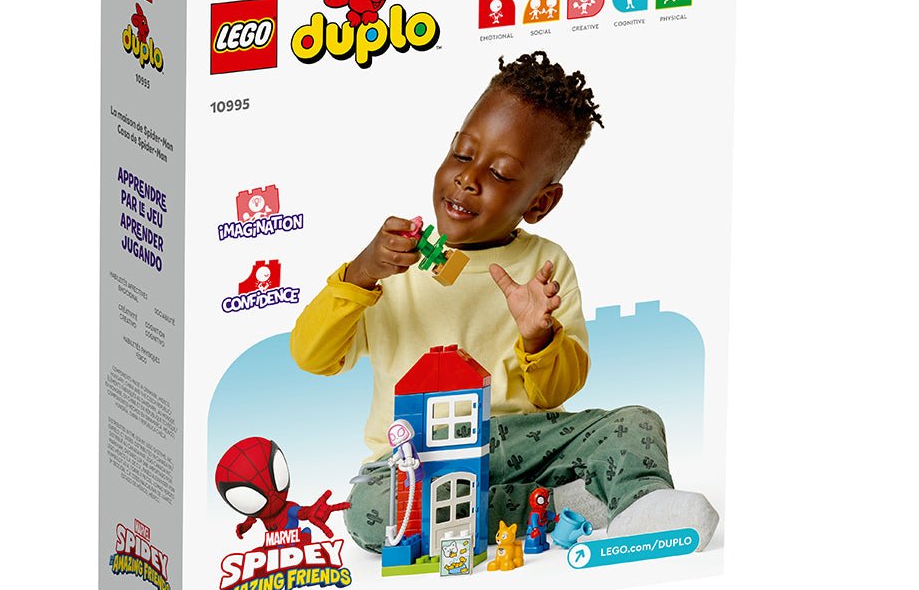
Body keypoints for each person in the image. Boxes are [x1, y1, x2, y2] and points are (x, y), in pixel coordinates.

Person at [290, 51, 719, 552]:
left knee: (638, 422)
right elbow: (311, 357)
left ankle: (643, 504)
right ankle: (558, 505)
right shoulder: (390, 266)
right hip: (414, 457)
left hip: (526, 441)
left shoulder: (545, 266)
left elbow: (555, 392)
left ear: (539, 203)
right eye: (462, 153)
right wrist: (359, 276)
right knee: (369, 509)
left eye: (500, 173)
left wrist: (539, 336)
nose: (467, 179)